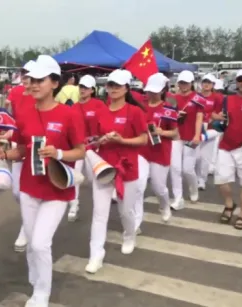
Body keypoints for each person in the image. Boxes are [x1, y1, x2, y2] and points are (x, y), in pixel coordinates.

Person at [0, 55, 85, 307]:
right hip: (30, 187)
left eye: (39, 80)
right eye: (30, 80)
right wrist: (5, 154)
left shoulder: (69, 114)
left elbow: (81, 150)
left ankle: (42, 294)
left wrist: (59, 154)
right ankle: (36, 280)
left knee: (41, 243)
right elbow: (22, 148)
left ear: (54, 83)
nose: (32, 85)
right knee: (33, 242)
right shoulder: (23, 111)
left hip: (57, 188)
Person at [86, 69, 147, 274]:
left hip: (126, 167)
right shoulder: (100, 111)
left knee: (125, 210)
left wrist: (122, 141)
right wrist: (99, 141)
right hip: (103, 167)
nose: (113, 89)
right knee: (99, 213)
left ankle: (129, 235)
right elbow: (92, 139)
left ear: (126, 88)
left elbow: (143, 139)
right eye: (110, 85)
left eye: (117, 86)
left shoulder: (134, 112)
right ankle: (96, 254)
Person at [135, 73, 176, 231]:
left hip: (160, 152)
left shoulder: (168, 109)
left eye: (155, 91)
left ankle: (164, 206)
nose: (151, 94)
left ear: (163, 90)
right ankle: (135, 224)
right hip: (141, 151)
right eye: (149, 91)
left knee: (159, 188)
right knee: (138, 187)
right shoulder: (140, 105)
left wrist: (161, 132)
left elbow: (175, 133)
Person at [68, 74, 107, 222]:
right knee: (75, 175)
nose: (82, 90)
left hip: (93, 148)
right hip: (78, 147)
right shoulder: (74, 107)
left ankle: (101, 203)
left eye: (86, 87)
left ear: (92, 90)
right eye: (81, 87)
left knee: (93, 179)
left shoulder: (99, 105)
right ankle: (74, 205)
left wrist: (99, 137)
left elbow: (105, 123)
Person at [6, 60, 36, 253]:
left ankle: (26, 228)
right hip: (18, 141)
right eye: (23, 73)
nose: (25, 77)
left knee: (30, 189)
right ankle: (30, 215)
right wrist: (8, 130)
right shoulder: (15, 93)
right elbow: (10, 114)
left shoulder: (39, 95)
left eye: (30, 74)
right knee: (17, 191)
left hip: (36, 143)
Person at [214, 69, 242, 229]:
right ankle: (229, 204)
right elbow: (214, 115)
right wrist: (216, 118)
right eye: (241, 79)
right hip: (226, 145)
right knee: (221, 180)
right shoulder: (228, 99)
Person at [170, 70, 204, 210]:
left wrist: (197, 135)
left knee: (187, 169)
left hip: (191, 137)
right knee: (175, 168)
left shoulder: (198, 98)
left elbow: (199, 118)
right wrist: (176, 115)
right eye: (181, 82)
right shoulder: (172, 98)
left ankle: (193, 189)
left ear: (191, 83)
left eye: (186, 83)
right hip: (176, 136)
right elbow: (167, 116)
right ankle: (178, 198)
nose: (183, 85)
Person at [196, 74, 223, 190]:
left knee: (205, 157)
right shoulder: (196, 96)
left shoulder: (217, 98)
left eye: (209, 82)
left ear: (213, 85)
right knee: (196, 156)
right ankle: (196, 177)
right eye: (205, 82)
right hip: (197, 128)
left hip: (210, 130)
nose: (206, 84)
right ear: (201, 83)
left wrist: (211, 117)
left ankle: (202, 180)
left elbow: (219, 115)